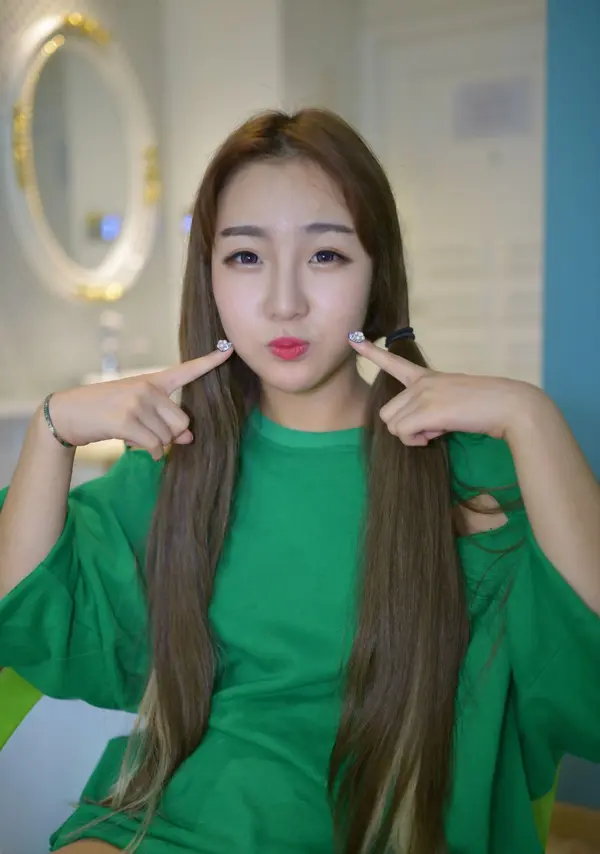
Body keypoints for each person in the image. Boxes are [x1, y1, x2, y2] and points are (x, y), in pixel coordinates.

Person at [0, 108, 599, 854]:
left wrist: (532, 417)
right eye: (246, 257)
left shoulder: (469, 465)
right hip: (181, 816)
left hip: (398, 823)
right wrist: (52, 428)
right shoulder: (182, 461)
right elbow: (30, 611)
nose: (284, 302)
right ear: (210, 278)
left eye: (326, 255)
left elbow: (587, 672)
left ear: (377, 275)